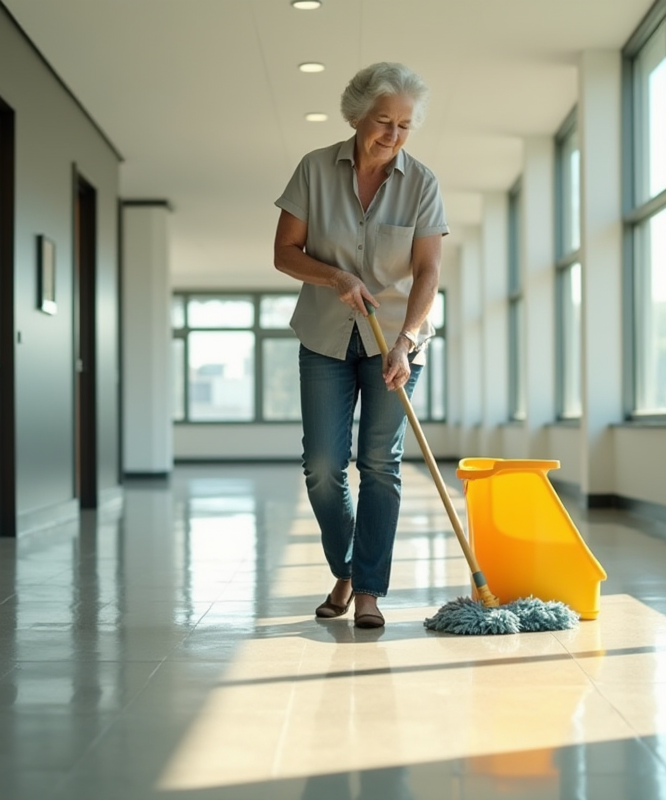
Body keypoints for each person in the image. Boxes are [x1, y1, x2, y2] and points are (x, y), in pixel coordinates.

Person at [273, 62, 448, 629]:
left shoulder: (421, 183)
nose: (392, 136)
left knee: (380, 463)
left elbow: (427, 272)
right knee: (324, 466)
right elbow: (285, 252)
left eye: (403, 125)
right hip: (325, 333)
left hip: (393, 343)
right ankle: (346, 567)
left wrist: (406, 341)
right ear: (357, 115)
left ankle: (367, 588)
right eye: (382, 121)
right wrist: (337, 277)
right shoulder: (314, 169)